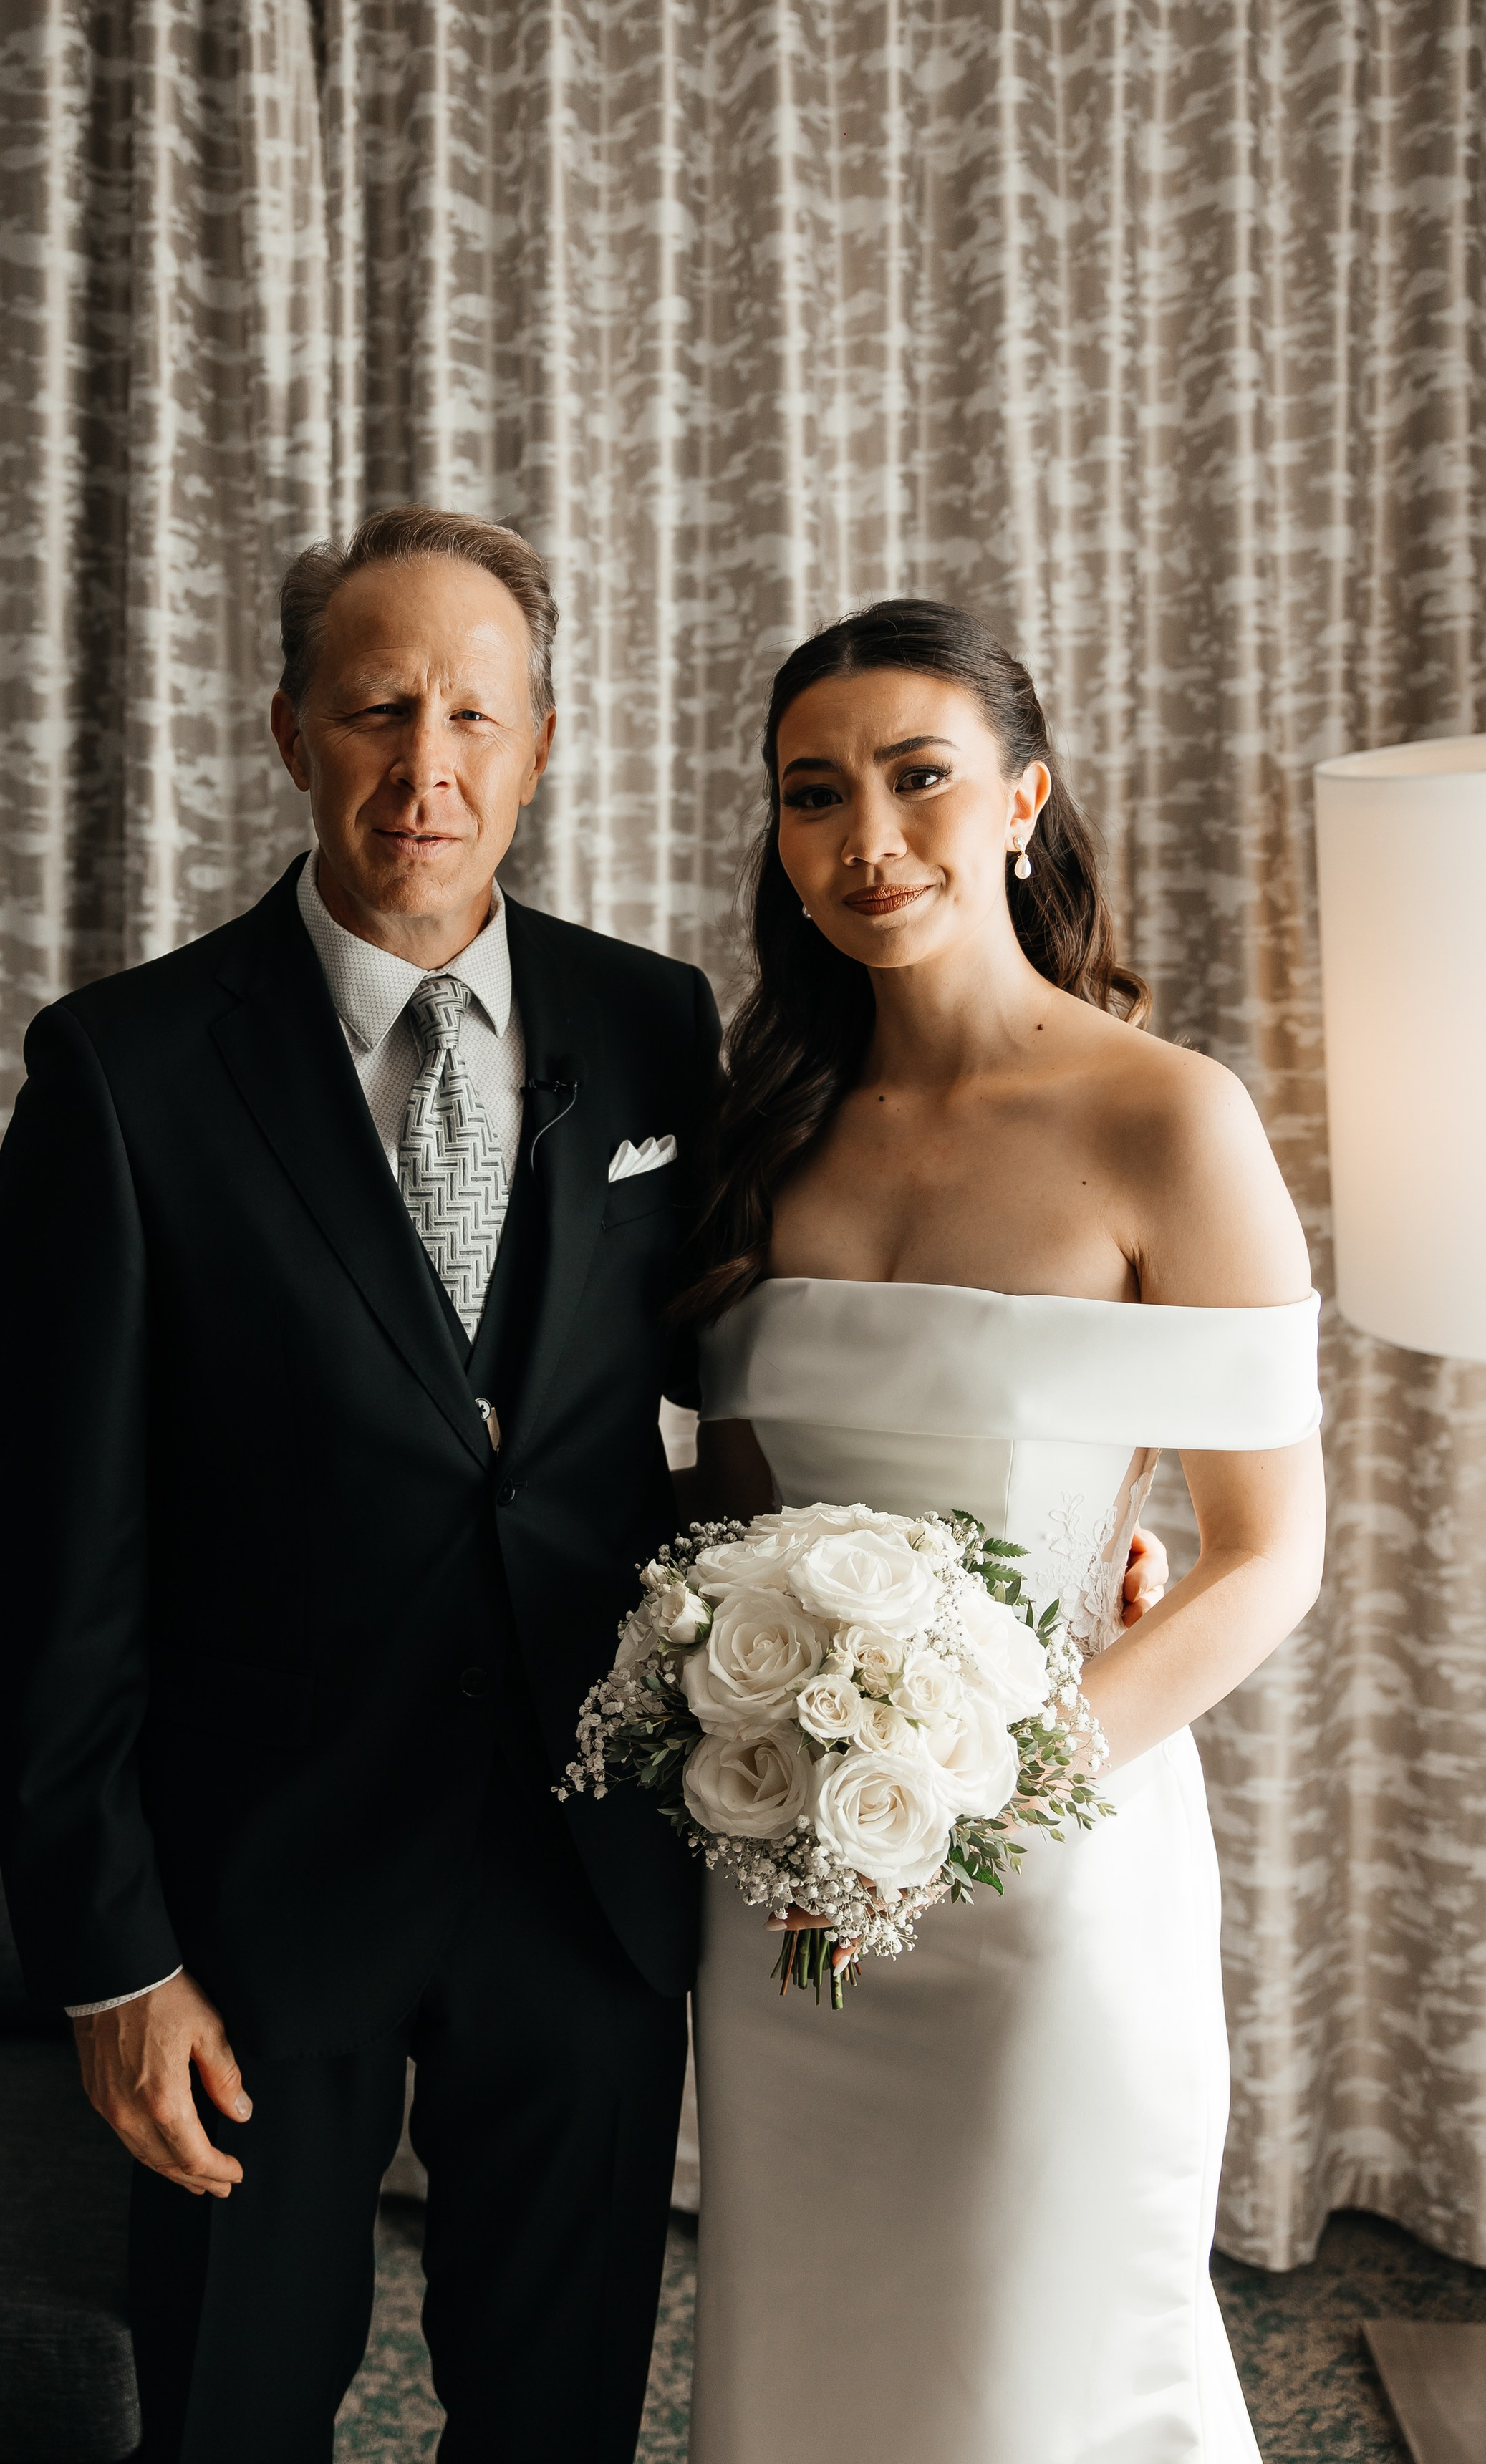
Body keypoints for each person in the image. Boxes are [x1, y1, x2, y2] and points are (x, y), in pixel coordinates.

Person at [0, 518, 1168, 2461]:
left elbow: (773, 1364)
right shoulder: (125, 1073)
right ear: (290, 732)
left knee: (559, 2415)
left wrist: (1063, 1514)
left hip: (593, 1876)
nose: (421, 766)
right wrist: (114, 1956)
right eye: (374, 708)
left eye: (471, 713)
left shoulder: (661, 1030)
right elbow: (52, 1559)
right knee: (226, 2410)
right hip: (263, 1894)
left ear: (543, 744)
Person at [680, 601, 1325, 2464]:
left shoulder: (1171, 1122)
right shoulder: (761, 1120)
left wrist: (1000, 1775)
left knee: (1035, 2355)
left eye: (918, 778)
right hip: (796, 1875)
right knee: (813, 2348)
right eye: (815, 795)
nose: (866, 838)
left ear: (1025, 801)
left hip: (1054, 1870)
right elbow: (736, 1497)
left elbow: (1266, 1555)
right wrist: (747, 1716)